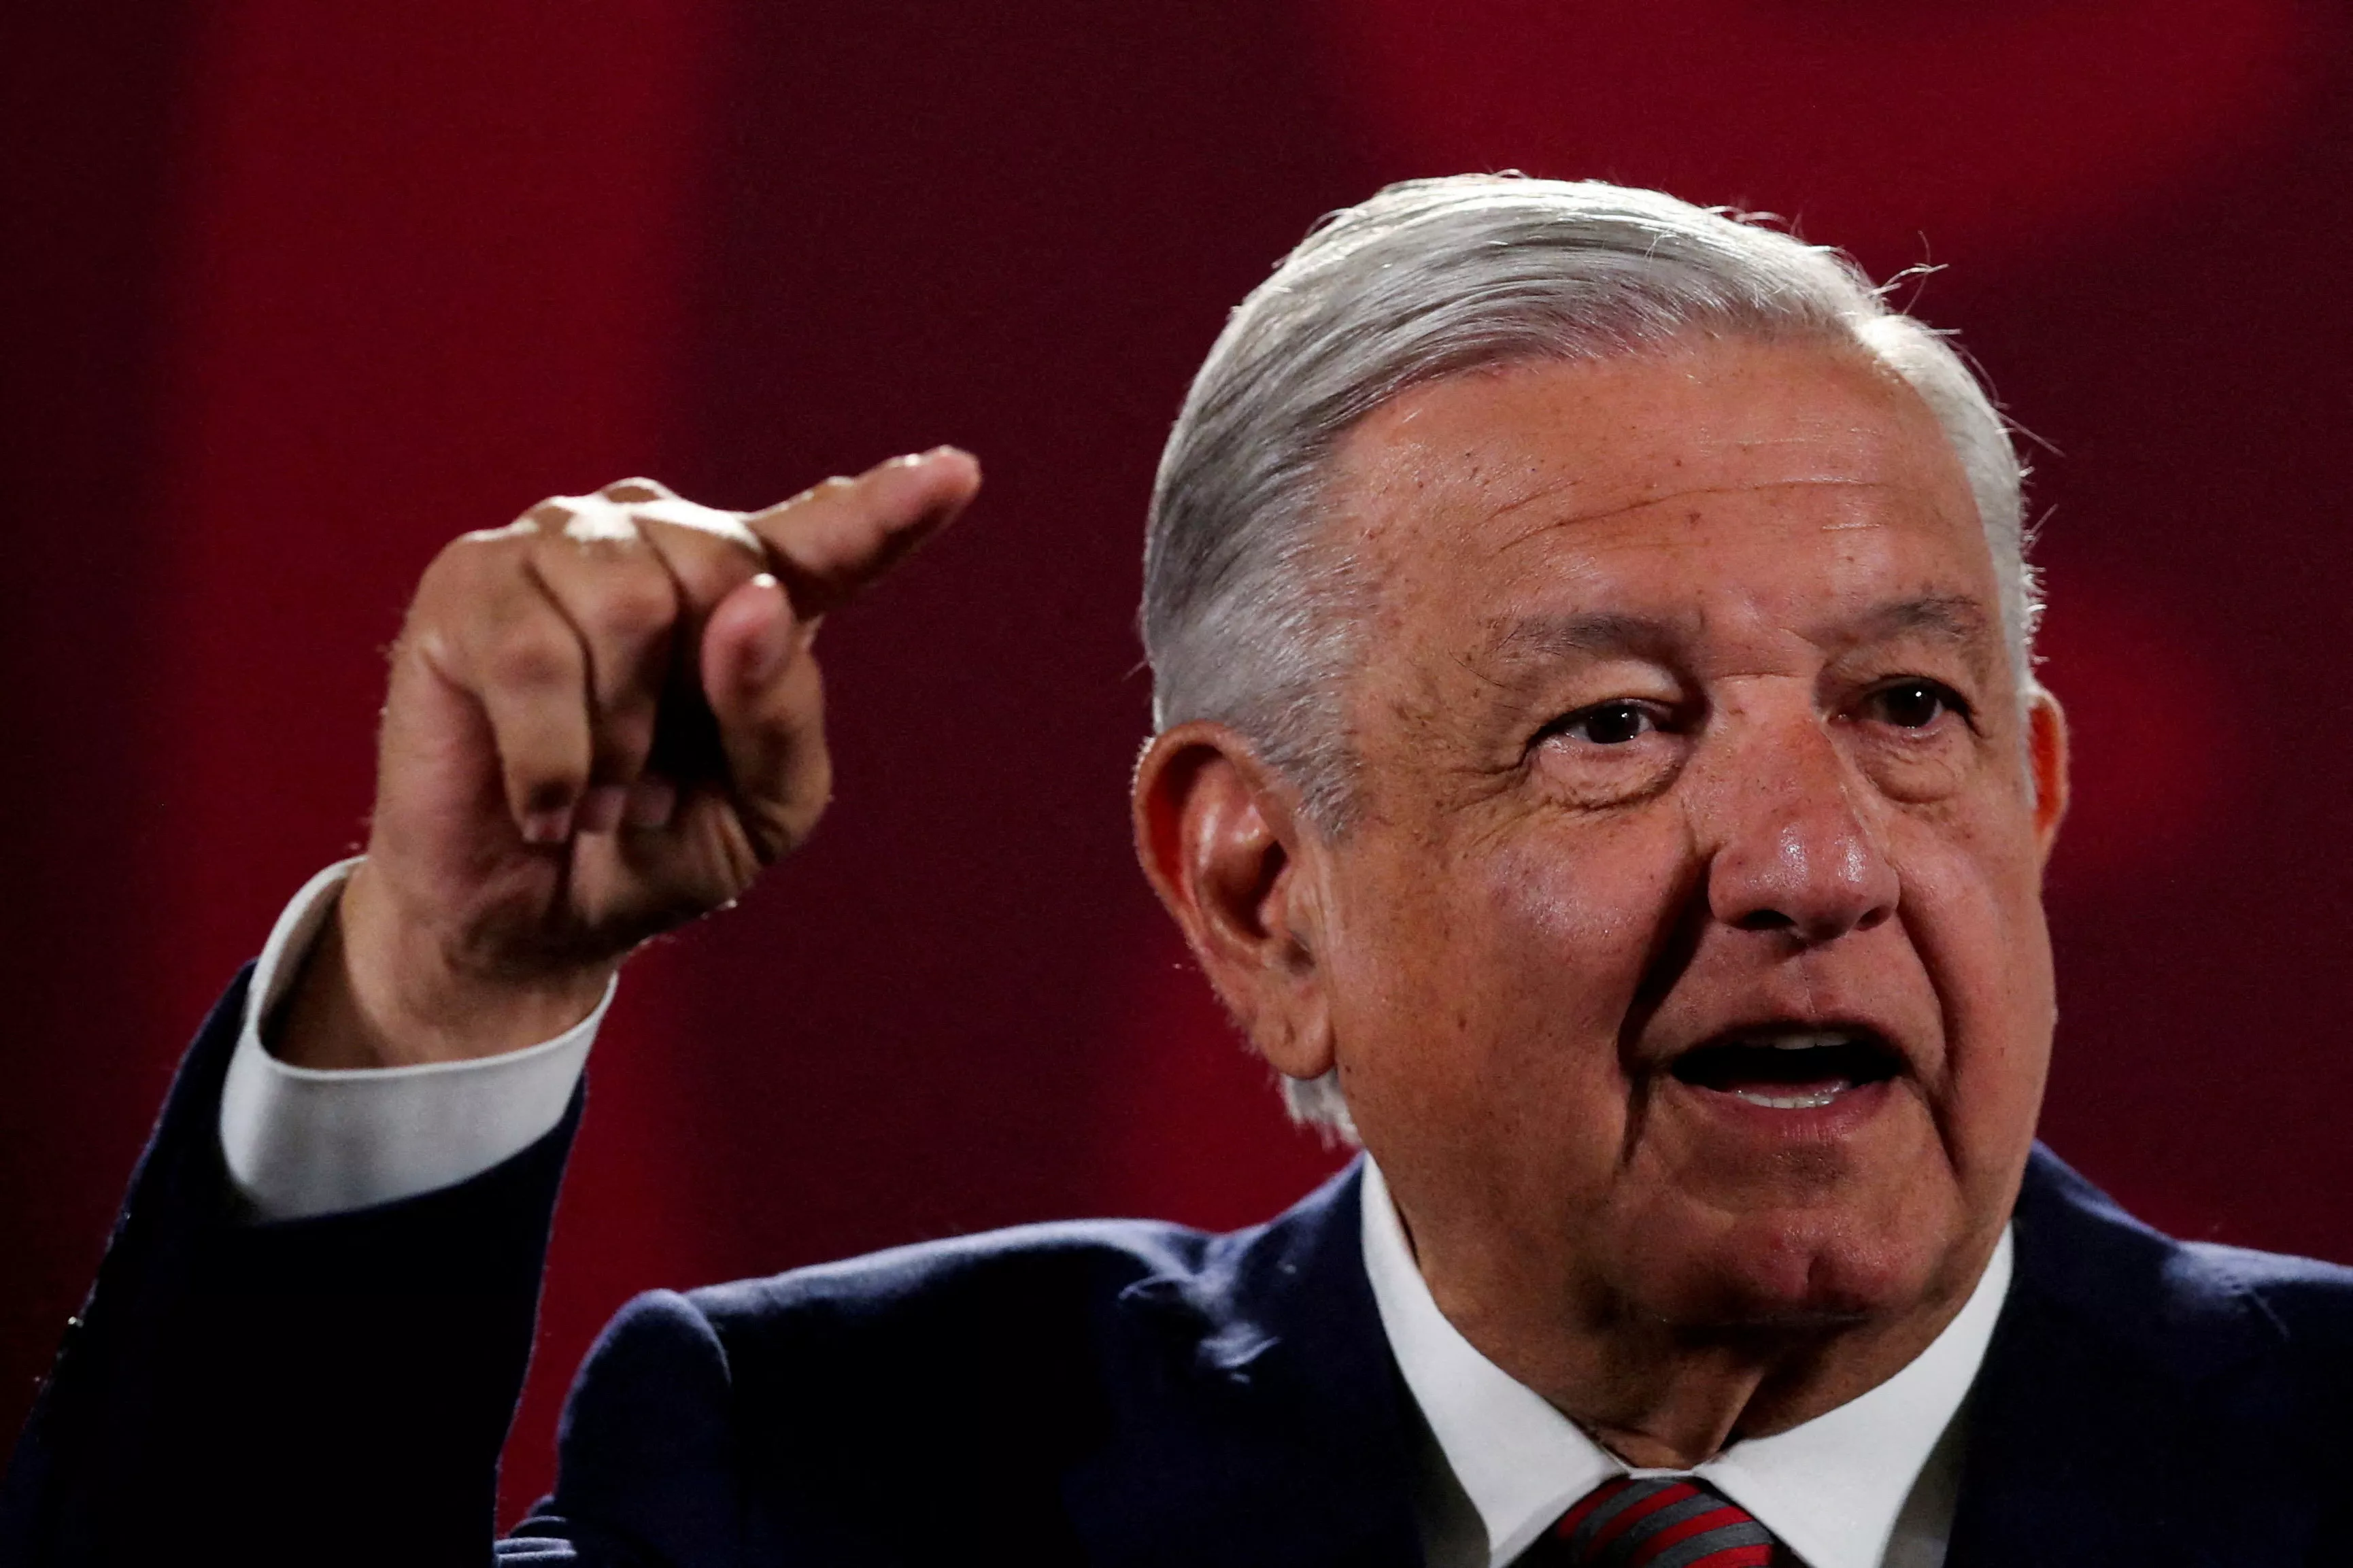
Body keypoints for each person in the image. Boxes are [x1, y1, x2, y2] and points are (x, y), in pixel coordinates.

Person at [5, 174, 2350, 1567]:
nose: (1814, 861)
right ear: (1260, 894)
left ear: (2029, 802)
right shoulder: (849, 1480)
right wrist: (443, 992)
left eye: (1904, 709)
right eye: (1614, 725)